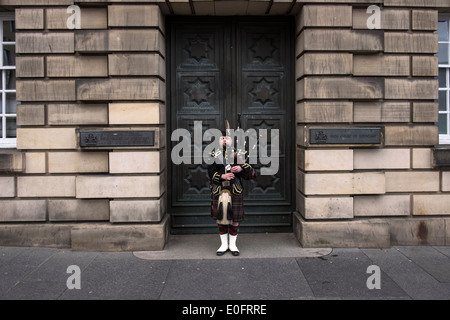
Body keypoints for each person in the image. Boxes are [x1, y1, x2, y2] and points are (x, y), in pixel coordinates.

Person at [207, 130, 256, 256]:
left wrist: (241, 168)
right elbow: (210, 173)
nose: (224, 140)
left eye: (227, 138)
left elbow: (250, 174)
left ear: (231, 140)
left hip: (234, 189)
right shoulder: (213, 154)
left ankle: (233, 245)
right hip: (219, 189)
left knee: (235, 219)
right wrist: (222, 176)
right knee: (221, 218)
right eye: (222, 138)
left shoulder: (240, 153)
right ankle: (223, 245)